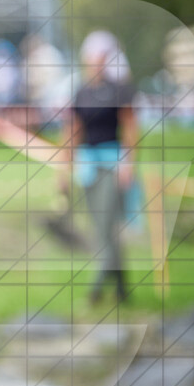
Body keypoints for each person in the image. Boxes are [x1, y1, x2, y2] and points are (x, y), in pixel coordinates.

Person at [65, 30, 138, 303]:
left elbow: (130, 127)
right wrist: (65, 168)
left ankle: (96, 286)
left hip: (112, 162)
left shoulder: (119, 90)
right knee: (100, 226)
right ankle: (122, 287)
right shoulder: (81, 91)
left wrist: (129, 163)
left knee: (107, 224)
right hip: (88, 165)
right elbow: (73, 130)